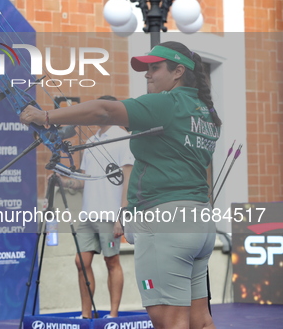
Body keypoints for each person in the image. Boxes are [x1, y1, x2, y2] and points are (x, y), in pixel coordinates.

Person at [20, 41, 220, 329]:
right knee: (200, 320)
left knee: (169, 322)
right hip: (199, 220)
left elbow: (104, 111)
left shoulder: (167, 103)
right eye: (147, 69)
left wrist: (44, 116)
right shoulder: (205, 111)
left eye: (155, 68)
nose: (148, 74)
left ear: (178, 71)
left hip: (165, 222)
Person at [57, 95, 134, 319]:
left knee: (111, 261)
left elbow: (127, 180)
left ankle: (113, 314)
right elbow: (84, 181)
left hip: (110, 214)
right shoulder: (90, 141)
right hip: (88, 213)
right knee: (81, 262)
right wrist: (65, 181)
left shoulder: (123, 138)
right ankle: (85, 314)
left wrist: (122, 217)